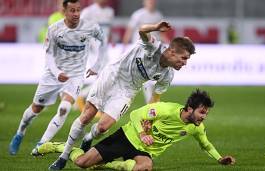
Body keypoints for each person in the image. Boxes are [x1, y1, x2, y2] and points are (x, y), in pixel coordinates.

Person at [49, 21, 196, 170]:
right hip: (113, 75)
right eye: (184, 58)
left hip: (128, 90)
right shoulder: (154, 47)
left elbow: (155, 98)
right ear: (171, 52)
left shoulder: (167, 75)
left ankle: (88, 138)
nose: (184, 63)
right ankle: (64, 156)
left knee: (102, 128)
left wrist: (148, 119)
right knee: (87, 116)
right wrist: (156, 28)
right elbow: (142, 31)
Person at [38, 89, 235, 170]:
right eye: (202, 112)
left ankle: (120, 165)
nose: (204, 116)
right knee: (82, 163)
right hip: (126, 137)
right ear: (190, 109)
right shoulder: (166, 109)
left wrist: (219, 158)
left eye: (206, 113)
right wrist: (142, 132)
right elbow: (135, 115)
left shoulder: (196, 128)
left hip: (143, 151)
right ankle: (59, 147)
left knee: (146, 167)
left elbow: (206, 145)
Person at [9, 0, 104, 155]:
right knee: (35, 109)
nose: (76, 14)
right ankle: (20, 132)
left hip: (75, 74)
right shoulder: (54, 28)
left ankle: (41, 144)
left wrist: (97, 65)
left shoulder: (89, 27)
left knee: (65, 108)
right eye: (72, 10)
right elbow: (48, 54)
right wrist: (57, 72)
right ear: (64, 11)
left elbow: (102, 42)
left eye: (78, 10)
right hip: (53, 74)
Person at [122, 0, 170, 104]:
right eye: (149, 1)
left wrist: (169, 44)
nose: (151, 2)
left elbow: (161, 34)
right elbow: (129, 30)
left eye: (153, 1)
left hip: (155, 50)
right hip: (141, 49)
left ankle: (151, 102)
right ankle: (151, 103)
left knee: (151, 75)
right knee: (147, 75)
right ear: (144, 2)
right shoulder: (138, 15)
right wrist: (124, 47)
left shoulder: (158, 15)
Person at [75, 0, 115, 113]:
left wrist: (111, 39)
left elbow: (109, 28)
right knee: (103, 77)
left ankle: (83, 96)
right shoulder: (88, 12)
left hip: (104, 48)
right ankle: (95, 105)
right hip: (94, 48)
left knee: (105, 77)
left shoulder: (110, 11)